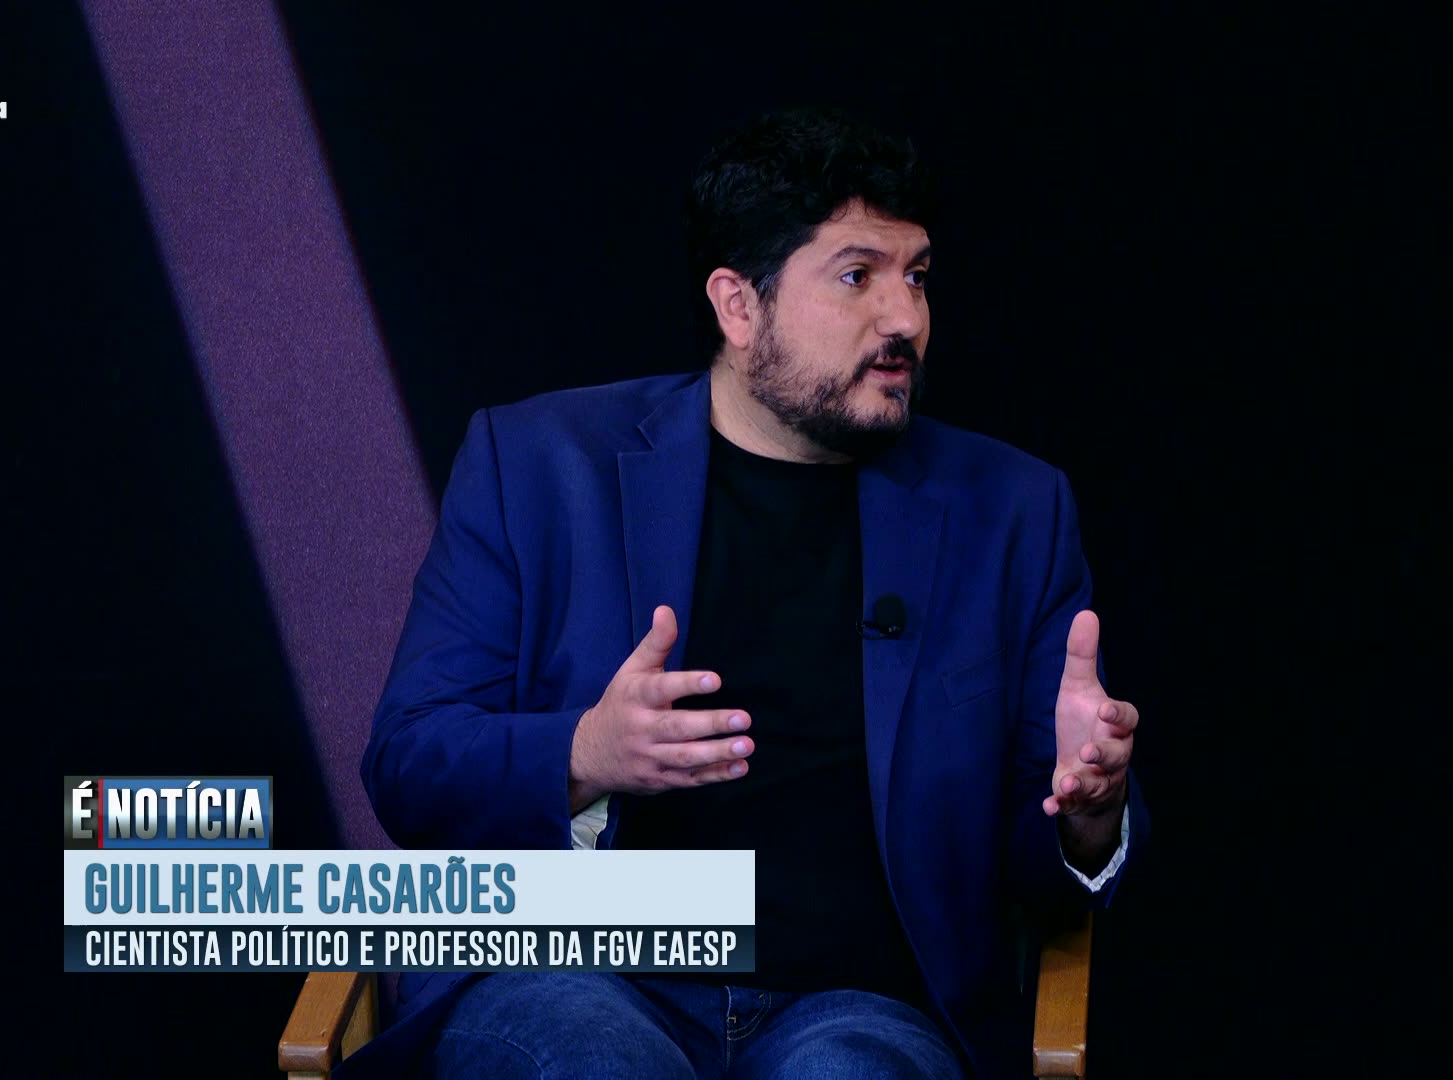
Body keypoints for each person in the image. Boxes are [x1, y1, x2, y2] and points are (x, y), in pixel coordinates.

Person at [350, 106, 1147, 1079]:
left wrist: (1088, 812)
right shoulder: (538, 467)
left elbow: (1042, 862)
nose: (905, 318)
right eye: (857, 276)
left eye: (917, 276)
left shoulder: (1012, 510)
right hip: (581, 977)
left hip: (860, 1005)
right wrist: (585, 753)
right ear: (737, 306)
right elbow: (410, 764)